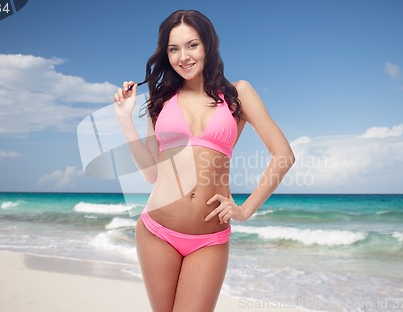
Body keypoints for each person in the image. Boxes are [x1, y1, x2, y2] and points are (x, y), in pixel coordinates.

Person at [113, 9, 294, 312]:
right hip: (157, 231)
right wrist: (124, 119)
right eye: (173, 49)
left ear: (208, 45)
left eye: (192, 45)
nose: (183, 56)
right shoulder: (159, 100)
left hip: (209, 239)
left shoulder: (238, 94)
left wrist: (246, 209)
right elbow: (151, 174)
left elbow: (283, 155)